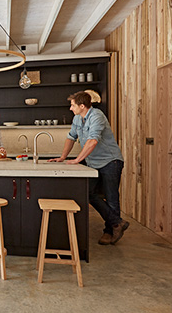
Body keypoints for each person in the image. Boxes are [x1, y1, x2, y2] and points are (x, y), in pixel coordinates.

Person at [48, 91, 129, 245]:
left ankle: (109, 232)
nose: (70, 108)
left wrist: (78, 159)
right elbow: (71, 137)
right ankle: (117, 223)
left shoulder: (96, 116)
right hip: (93, 163)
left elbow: (92, 141)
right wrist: (63, 157)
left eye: (72, 105)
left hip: (110, 161)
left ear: (82, 106)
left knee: (111, 198)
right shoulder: (77, 118)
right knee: (88, 192)